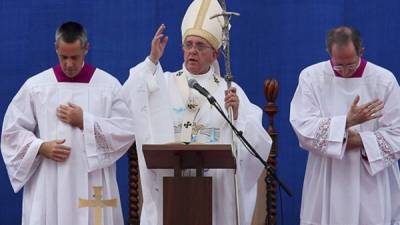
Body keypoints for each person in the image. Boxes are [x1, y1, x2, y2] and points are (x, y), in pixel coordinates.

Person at [120, 0, 272, 224]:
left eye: (200, 46)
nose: (192, 51)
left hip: (215, 193)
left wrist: (237, 116)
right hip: (170, 189)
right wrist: (152, 61)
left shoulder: (229, 92)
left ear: (215, 54)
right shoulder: (163, 83)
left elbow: (258, 145)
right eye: (188, 44)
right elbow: (128, 97)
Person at [1, 21, 135, 225]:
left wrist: (85, 122)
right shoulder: (37, 86)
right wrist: (40, 147)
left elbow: (126, 130)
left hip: (93, 183)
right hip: (50, 181)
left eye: (75, 57)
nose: (69, 64)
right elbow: (12, 131)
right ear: (56, 48)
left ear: (86, 49)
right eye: (64, 57)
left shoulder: (108, 86)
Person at [290, 26, 400, 225]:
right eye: (338, 66)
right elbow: (303, 127)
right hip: (327, 175)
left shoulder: (384, 80)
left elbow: (397, 133)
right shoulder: (311, 77)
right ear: (328, 53)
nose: (345, 72)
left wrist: (344, 137)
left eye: (350, 65)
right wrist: (348, 122)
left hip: (372, 178)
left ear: (361, 51)